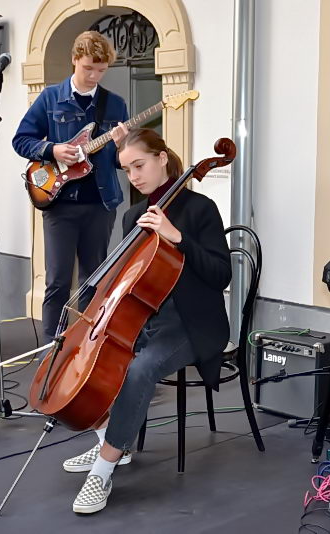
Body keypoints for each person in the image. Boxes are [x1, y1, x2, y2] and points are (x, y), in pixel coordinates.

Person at [61, 128, 231, 514]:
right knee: (91, 361)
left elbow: (221, 275)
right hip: (145, 319)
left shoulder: (200, 209)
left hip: (192, 323)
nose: (134, 177)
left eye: (139, 166)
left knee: (139, 369)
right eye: (127, 170)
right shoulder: (134, 216)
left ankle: (103, 471)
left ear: (161, 159)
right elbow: (125, 277)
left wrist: (177, 237)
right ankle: (111, 441)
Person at [12, 30, 130, 343]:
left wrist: (122, 146)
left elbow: (121, 161)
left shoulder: (115, 105)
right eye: (88, 68)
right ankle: (50, 353)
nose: (94, 76)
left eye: (101, 70)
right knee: (57, 282)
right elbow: (20, 140)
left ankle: (86, 349)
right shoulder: (50, 98)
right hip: (59, 204)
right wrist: (52, 149)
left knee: (94, 281)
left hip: (100, 205)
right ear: (74, 59)